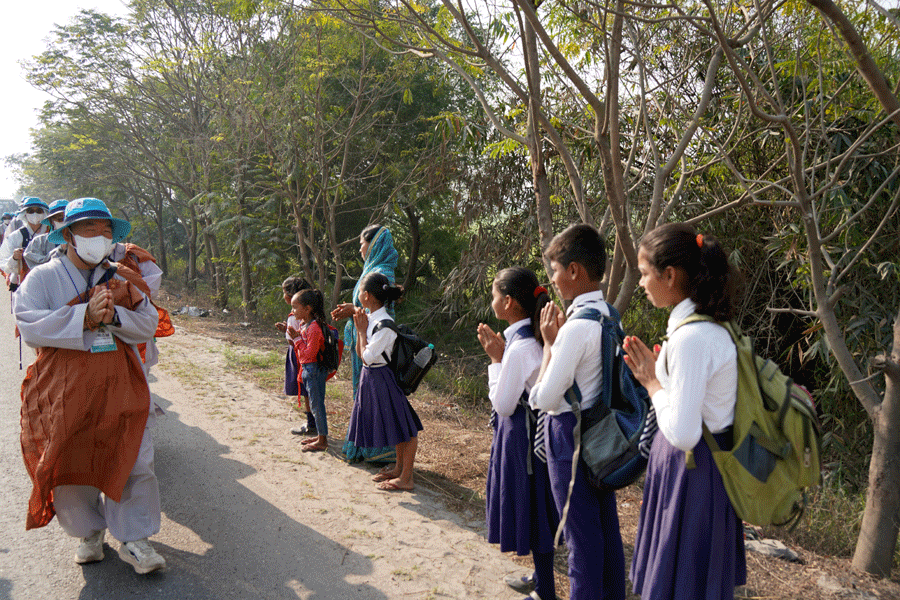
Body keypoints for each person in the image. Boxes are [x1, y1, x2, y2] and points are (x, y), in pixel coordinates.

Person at [15, 197, 166, 575]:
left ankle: (135, 538)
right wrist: (82, 317)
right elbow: (29, 324)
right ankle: (88, 533)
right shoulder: (42, 278)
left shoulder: (122, 276)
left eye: (105, 230)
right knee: (73, 460)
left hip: (121, 381)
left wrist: (114, 315)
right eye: (88, 229)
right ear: (67, 235)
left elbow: (148, 324)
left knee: (134, 457)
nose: (98, 237)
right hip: (65, 387)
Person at [623, 223, 746, 600]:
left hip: (694, 474)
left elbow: (684, 432)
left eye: (645, 273)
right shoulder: (702, 328)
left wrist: (652, 383)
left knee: (681, 587)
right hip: (695, 472)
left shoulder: (692, 338)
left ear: (670, 275)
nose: (642, 283)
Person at [528, 223, 627, 600]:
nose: (552, 279)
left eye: (554, 269)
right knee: (605, 534)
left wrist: (551, 346)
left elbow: (546, 398)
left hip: (568, 437)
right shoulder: (610, 316)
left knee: (580, 543)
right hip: (601, 435)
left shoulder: (575, 328)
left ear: (573, 271)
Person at [478, 267, 559, 600]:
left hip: (523, 444)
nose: (492, 300)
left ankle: (546, 592)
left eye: (495, 294)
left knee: (535, 512)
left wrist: (496, 361)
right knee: (539, 508)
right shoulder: (533, 340)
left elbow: (503, 403)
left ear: (508, 302)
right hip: (536, 442)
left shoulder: (519, 348)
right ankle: (541, 580)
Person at [347, 272, 422, 491]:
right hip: (373, 379)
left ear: (367, 296)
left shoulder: (385, 325)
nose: (359, 294)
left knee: (407, 429)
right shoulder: (374, 318)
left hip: (382, 378)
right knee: (398, 425)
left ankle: (407, 478)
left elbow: (366, 357)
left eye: (360, 290)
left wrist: (361, 332)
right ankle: (398, 469)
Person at [331, 224, 399, 464]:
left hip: (373, 344)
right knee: (362, 395)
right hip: (363, 336)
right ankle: (364, 444)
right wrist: (352, 311)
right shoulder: (372, 269)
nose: (360, 249)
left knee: (370, 396)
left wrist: (355, 311)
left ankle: (377, 448)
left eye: (361, 244)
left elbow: (383, 311)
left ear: (374, 244)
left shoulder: (383, 273)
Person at [288, 288, 330, 453]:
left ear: (307, 309)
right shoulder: (305, 324)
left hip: (313, 370)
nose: (292, 311)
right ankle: (321, 436)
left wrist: (296, 338)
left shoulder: (313, 328)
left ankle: (323, 440)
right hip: (308, 369)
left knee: (317, 405)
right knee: (314, 404)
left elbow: (309, 353)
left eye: (295, 307)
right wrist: (294, 335)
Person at [276, 276, 314, 435]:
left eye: (284, 292)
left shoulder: (294, 316)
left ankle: (312, 424)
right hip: (306, 354)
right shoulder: (308, 313)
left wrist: (290, 334)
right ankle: (313, 422)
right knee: (308, 390)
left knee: (305, 390)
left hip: (299, 354)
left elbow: (295, 339)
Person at [0, 197, 50, 290]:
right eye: (31, 211)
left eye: (38, 211)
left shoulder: (51, 233)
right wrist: (14, 258)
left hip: (49, 280)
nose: (35, 214)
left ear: (44, 213)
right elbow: (3, 261)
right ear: (25, 214)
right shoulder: (16, 236)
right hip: (25, 283)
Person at [23, 199, 67, 270]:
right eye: (59, 218)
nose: (63, 221)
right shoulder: (39, 241)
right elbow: (34, 263)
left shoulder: (80, 238)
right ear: (51, 221)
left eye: (66, 218)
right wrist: (59, 252)